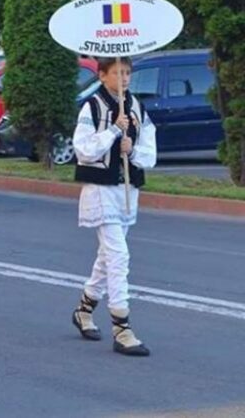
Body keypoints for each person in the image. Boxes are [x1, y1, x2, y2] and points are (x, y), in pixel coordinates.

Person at [71, 57, 157, 357]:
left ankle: (84, 309)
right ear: (103, 75)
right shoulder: (92, 107)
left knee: (107, 257)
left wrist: (132, 150)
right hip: (100, 190)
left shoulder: (136, 106)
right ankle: (122, 327)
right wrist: (111, 133)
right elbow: (82, 149)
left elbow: (149, 149)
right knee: (118, 254)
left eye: (128, 72)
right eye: (117, 73)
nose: (124, 78)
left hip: (127, 190)